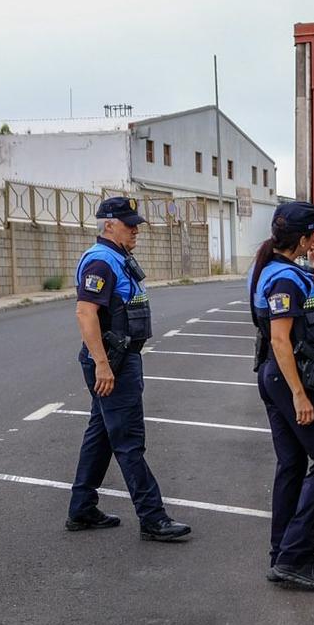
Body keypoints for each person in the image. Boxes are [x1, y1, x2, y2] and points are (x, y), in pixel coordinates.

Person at [66, 196, 192, 542]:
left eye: (136, 223)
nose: (135, 229)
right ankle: (153, 518)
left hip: (119, 360)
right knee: (128, 441)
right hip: (113, 364)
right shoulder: (102, 262)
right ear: (108, 225)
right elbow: (85, 313)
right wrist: (103, 365)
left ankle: (81, 508)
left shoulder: (117, 257)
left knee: (102, 435)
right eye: (128, 224)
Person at [250, 201, 314, 591]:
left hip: (274, 377)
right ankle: (292, 555)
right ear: (302, 238)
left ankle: (285, 552)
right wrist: (300, 395)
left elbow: (300, 309)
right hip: (290, 379)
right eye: (311, 238)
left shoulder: (277, 269)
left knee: (291, 464)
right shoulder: (285, 279)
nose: (313, 243)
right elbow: (281, 340)